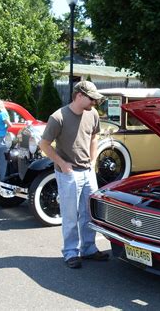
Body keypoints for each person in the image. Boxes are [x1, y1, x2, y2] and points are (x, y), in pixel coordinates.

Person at [39, 80, 109, 269]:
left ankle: (88, 248)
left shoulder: (92, 114)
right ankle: (71, 252)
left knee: (89, 213)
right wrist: (62, 163)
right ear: (79, 96)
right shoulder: (58, 117)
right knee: (70, 215)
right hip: (68, 173)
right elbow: (44, 144)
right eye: (91, 99)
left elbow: (94, 137)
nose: (94, 103)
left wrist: (93, 161)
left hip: (87, 171)